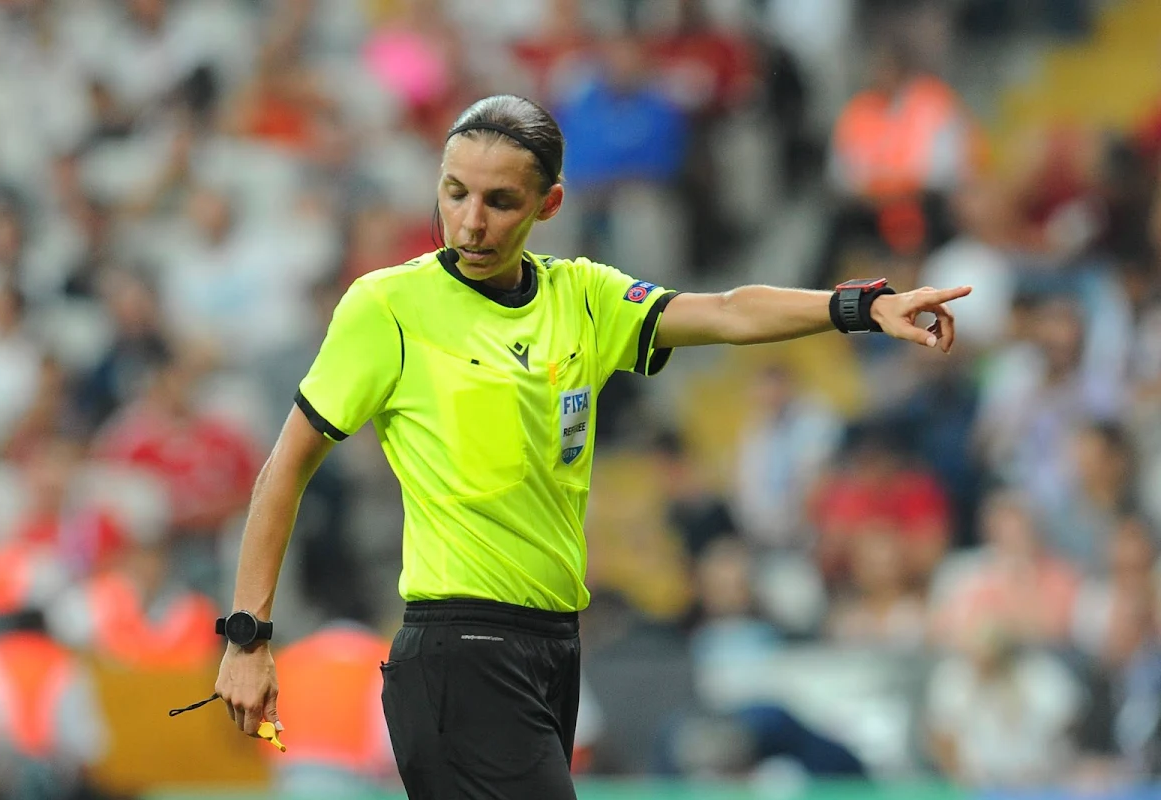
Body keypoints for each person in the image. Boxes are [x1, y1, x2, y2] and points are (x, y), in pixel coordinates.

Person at [213, 93, 970, 799]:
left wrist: (862, 306)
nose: (470, 222)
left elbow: (729, 311)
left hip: (551, 649)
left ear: (549, 205)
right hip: (460, 648)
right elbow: (284, 471)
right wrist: (248, 638)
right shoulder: (387, 307)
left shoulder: (582, 297)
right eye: (453, 192)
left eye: (499, 201)